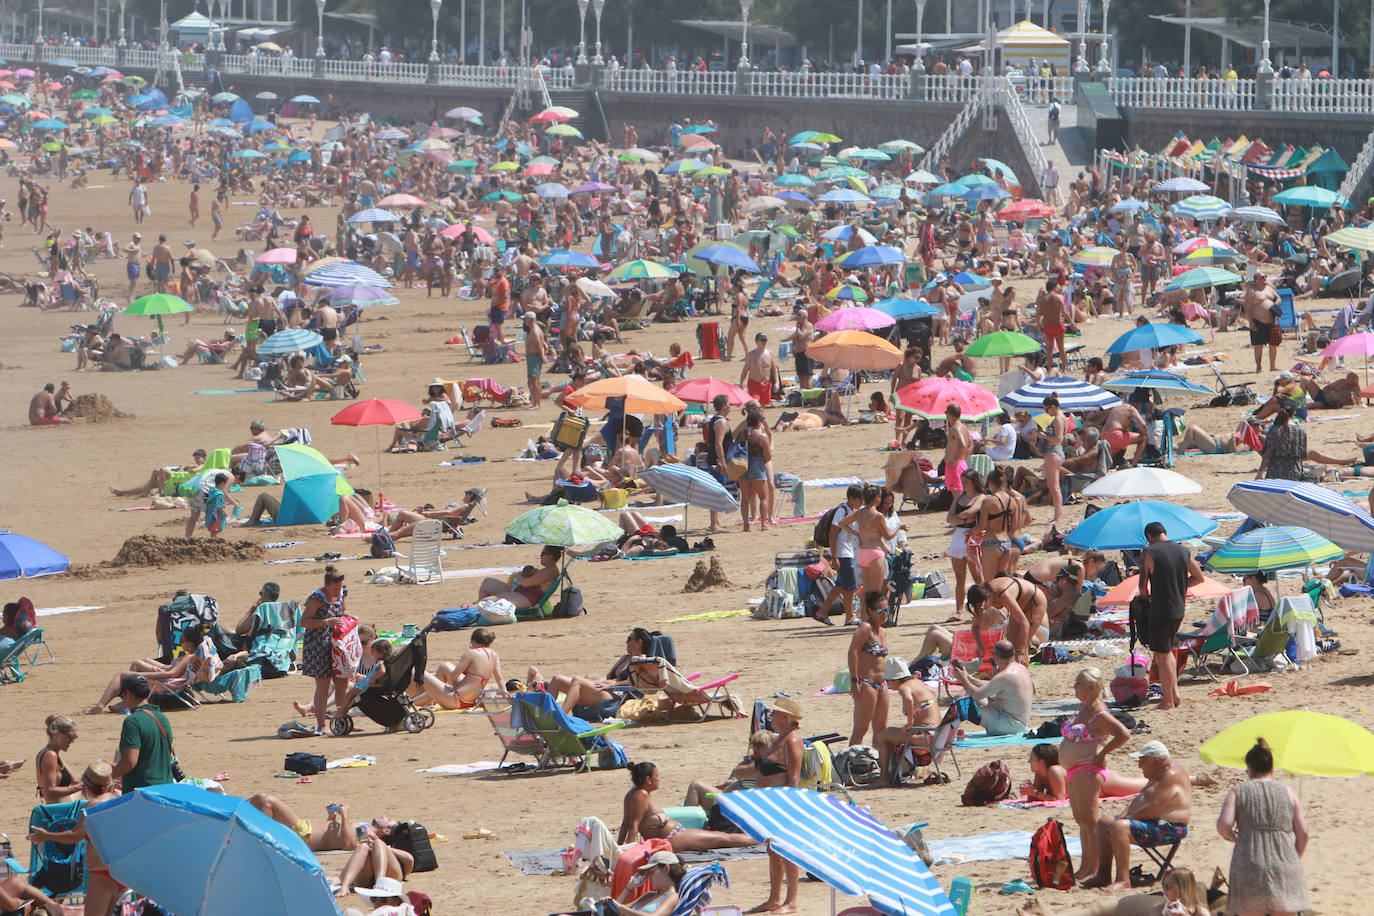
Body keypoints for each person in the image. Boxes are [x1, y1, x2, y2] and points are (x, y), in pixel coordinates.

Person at [1082, 740, 1194, 889]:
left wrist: (1123, 821)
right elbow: (1137, 802)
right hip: (1153, 821)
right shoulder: (1158, 774)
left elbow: (1153, 808)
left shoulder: (1171, 775)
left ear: (1155, 761)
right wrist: (1121, 817)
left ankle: (1123, 880)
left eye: (1143, 760)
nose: (1139, 765)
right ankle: (1103, 876)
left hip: (1171, 828)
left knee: (1119, 827)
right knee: (1104, 822)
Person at [1217, 738, 1309, 916]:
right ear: (1272, 768)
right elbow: (1303, 832)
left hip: (1249, 857)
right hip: (1284, 859)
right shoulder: (1288, 791)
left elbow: (1224, 825)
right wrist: (1294, 857)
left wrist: (1233, 836)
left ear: (1250, 768)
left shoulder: (1239, 791)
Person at [1062, 667, 1133, 881]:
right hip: (1075, 769)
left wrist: (1103, 752)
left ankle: (1093, 869)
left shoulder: (1098, 712)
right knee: (1081, 820)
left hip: (1088, 768)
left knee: (1090, 821)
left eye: (1078, 683)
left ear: (1092, 687)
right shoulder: (1083, 707)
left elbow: (1123, 733)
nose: (1075, 686)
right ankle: (1085, 866)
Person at [25, 761, 121, 916]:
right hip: (121, 871)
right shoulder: (120, 800)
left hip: (101, 874)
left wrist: (47, 835)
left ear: (87, 786)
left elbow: (75, 836)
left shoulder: (93, 806)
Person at [618, 762, 757, 851]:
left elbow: (625, 824)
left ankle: (759, 838)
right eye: (656, 776)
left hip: (674, 835)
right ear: (648, 780)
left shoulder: (631, 794)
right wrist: (629, 853)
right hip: (672, 838)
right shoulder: (641, 795)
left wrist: (618, 848)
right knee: (723, 838)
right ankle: (763, 840)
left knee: (719, 836)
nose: (659, 779)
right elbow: (633, 827)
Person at [747, 697, 804, 914]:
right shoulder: (780, 738)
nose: (771, 716)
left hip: (782, 804)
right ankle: (774, 898)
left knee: (787, 850)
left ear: (786, 718)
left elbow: (794, 779)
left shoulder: (793, 740)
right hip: (769, 804)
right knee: (773, 850)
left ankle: (791, 901)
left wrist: (789, 809)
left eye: (775, 713)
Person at [1140, 521, 1205, 711]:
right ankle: (1174, 694)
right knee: (1168, 649)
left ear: (1149, 537)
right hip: (1178, 608)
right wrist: (1179, 586)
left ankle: (1167, 701)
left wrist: (1144, 601)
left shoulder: (1150, 552)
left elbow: (1143, 586)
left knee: (1162, 654)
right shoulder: (1183, 551)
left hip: (1160, 608)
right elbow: (1199, 577)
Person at [86, 623, 221, 712]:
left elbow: (171, 674)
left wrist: (143, 676)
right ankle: (127, 703)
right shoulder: (192, 656)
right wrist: (153, 664)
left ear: (190, 643)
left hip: (171, 684)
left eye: (182, 641)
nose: (180, 643)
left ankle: (101, 706)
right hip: (172, 677)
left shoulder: (189, 658)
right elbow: (173, 669)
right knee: (139, 662)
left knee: (121, 674)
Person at [526, 627, 654, 718]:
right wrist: (595, 682)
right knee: (557, 679)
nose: (626, 642)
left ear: (639, 642)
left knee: (577, 681)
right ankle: (544, 717)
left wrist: (611, 685)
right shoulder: (625, 657)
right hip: (601, 691)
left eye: (629, 638)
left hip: (614, 697)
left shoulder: (641, 659)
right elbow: (608, 676)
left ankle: (560, 718)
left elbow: (635, 682)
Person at [1014, 867, 1209, 916]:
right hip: (1142, 906)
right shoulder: (1161, 907)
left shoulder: (1198, 910)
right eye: (1163, 886)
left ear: (1183, 888)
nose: (1164, 890)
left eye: (1168, 887)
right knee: (1096, 909)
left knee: (1097, 909)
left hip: (1138, 906)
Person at [943, 639, 1033, 738]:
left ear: (995, 656)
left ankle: (942, 735)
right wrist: (969, 678)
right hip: (1018, 722)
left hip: (1009, 725)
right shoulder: (1020, 668)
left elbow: (976, 694)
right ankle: (946, 732)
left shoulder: (1005, 675)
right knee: (980, 700)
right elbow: (990, 685)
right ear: (1013, 653)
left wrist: (964, 680)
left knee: (964, 704)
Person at [302, 565, 351, 736]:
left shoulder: (342, 593)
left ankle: (342, 721)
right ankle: (321, 725)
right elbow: (304, 622)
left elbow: (343, 612)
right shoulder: (317, 598)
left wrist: (350, 617)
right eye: (335, 588)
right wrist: (326, 622)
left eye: (339, 588)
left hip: (337, 644)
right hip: (318, 645)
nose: (338, 591)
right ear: (327, 585)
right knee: (323, 686)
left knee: (342, 684)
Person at [873, 656, 940, 780]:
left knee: (882, 736)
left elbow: (909, 699)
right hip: (937, 733)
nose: (888, 683)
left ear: (896, 679)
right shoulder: (916, 682)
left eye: (888, 680)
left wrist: (910, 722)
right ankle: (896, 774)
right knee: (889, 731)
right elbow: (934, 694)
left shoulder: (904, 687)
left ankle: (884, 778)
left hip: (926, 735)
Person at [408, 627, 504, 710]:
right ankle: (427, 699)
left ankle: (404, 703)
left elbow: (454, 677)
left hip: (456, 700)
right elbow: (500, 680)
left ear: (473, 642)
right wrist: (507, 699)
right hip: (472, 699)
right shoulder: (494, 655)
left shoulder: (470, 653)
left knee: (420, 673)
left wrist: (454, 686)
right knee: (445, 666)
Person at [109, 674, 176, 793]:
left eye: (123, 696)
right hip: (166, 789)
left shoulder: (133, 721)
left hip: (142, 792)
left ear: (128, 693)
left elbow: (130, 761)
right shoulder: (162, 718)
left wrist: (108, 777)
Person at [813, 485, 864, 624]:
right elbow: (833, 534)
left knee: (840, 586)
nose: (861, 503)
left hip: (847, 552)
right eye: (860, 500)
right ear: (852, 498)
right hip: (842, 554)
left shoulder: (850, 511)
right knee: (849, 587)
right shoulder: (842, 511)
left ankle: (822, 612)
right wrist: (834, 557)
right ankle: (850, 617)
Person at [250, 794, 371, 852]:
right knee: (260, 804)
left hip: (305, 834)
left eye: (389, 820)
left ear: (386, 830)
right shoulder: (364, 826)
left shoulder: (366, 831)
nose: (385, 817)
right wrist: (331, 818)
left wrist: (345, 816)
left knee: (266, 801)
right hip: (304, 831)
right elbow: (332, 837)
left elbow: (348, 844)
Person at [846, 591, 891, 747]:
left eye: (886, 610)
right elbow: (853, 652)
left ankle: (879, 763)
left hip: (882, 684)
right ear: (870, 611)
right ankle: (851, 765)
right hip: (867, 684)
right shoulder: (865, 628)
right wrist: (854, 680)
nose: (884, 614)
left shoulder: (882, 631)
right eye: (880, 610)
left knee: (881, 728)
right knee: (861, 729)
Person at [597, 850, 682, 916]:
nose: (649, 877)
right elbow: (615, 911)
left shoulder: (672, 897)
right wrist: (629, 888)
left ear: (666, 869)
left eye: (651, 872)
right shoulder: (649, 895)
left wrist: (620, 907)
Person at [476, 545, 561, 608]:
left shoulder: (551, 571)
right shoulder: (547, 570)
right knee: (487, 582)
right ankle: (484, 613)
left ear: (551, 556)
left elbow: (525, 583)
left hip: (527, 597)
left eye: (543, 553)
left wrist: (520, 574)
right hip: (520, 592)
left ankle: (482, 613)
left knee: (485, 602)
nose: (540, 556)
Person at [35, 714, 84, 804]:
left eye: (75, 737)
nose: (72, 741)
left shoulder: (53, 754)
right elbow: (49, 792)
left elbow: (76, 781)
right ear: (57, 734)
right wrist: (82, 786)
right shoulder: (50, 756)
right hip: (59, 811)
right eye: (71, 737)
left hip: (63, 806)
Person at [1040, 394, 1068, 525]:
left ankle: (1058, 517)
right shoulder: (1062, 417)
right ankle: (1058, 515)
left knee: (1054, 486)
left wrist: (1043, 436)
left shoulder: (1057, 419)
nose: (1046, 413)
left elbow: (1058, 439)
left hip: (1054, 452)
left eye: (1047, 410)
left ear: (1052, 407)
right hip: (1056, 452)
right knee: (1054, 486)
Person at [739, 332, 778, 406]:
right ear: (756, 342)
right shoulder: (751, 355)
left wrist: (776, 382)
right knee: (754, 405)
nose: (764, 342)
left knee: (763, 406)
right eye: (762, 340)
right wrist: (741, 383)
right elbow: (745, 370)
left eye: (765, 340)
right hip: (754, 383)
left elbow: (774, 369)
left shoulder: (770, 353)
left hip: (766, 384)